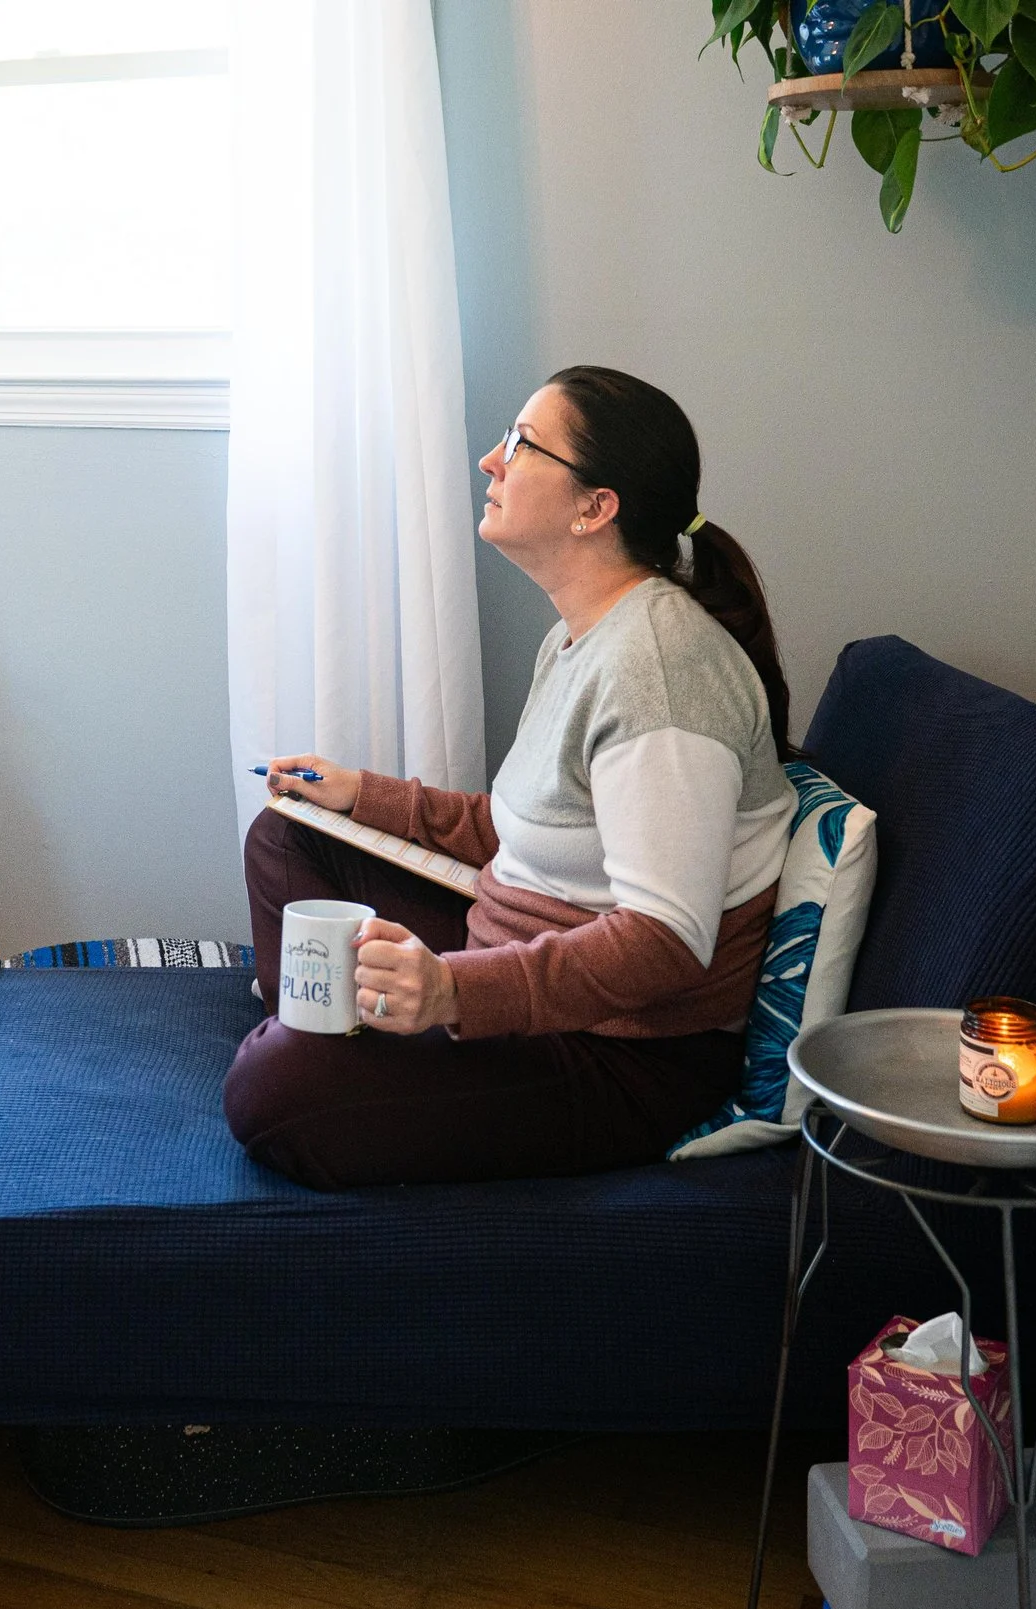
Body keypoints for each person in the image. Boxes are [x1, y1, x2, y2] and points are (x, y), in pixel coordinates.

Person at [226, 365, 797, 1189]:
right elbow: (523, 828)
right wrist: (360, 796)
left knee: (271, 1093)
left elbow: (666, 943)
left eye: (522, 445)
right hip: (520, 946)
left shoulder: (662, 670)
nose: (492, 462)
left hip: (623, 1052)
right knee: (289, 837)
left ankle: (315, 1054)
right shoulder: (583, 633)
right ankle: (325, 1036)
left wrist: (453, 992)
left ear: (594, 507)